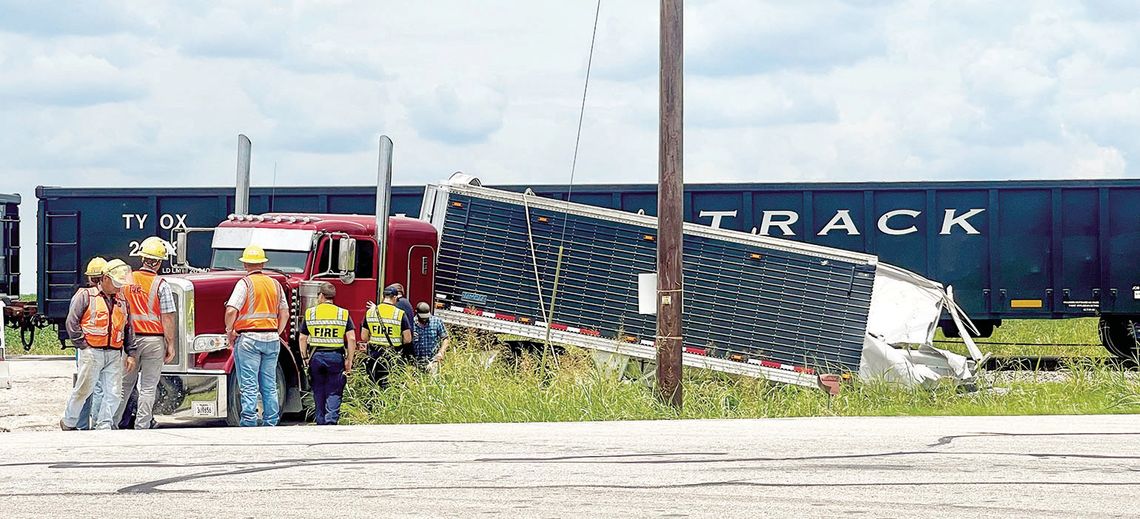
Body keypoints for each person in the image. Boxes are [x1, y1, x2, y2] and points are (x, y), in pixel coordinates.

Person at [60, 259, 134, 430]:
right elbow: (72, 322)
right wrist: (83, 345)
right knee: (84, 389)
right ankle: (69, 421)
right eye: (116, 282)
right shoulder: (85, 296)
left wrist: (131, 353)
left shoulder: (122, 301)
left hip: (114, 353)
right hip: (92, 351)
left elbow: (128, 328)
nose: (119, 287)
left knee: (114, 392)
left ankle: (104, 424)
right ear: (105, 278)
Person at [224, 245, 289, 427]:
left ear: (245, 264)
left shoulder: (244, 284)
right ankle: (271, 421)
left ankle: (249, 422)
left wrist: (230, 331)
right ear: (262, 263)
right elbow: (284, 313)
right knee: (269, 383)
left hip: (249, 339)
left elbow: (231, 310)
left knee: (249, 384)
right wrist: (276, 331)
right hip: (272, 339)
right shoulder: (275, 284)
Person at [115, 237, 176, 430]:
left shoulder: (127, 279)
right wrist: (171, 344)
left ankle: (112, 423)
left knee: (125, 385)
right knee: (149, 386)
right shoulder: (161, 284)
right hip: (153, 340)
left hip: (130, 341)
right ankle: (142, 426)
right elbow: (167, 317)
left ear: (142, 258)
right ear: (159, 262)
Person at [298, 282, 356, 425]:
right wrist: (349, 360)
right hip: (336, 357)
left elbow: (302, 338)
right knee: (334, 391)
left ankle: (320, 421)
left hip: (316, 357)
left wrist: (304, 357)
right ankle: (331, 422)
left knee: (318, 390)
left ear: (321, 296)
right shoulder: (343, 313)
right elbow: (352, 338)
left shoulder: (310, 313)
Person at [74, 257, 106, 430]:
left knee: (84, 387)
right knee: (100, 387)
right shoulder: (107, 297)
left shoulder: (82, 296)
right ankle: (96, 424)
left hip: (87, 348)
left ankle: (82, 425)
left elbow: (72, 323)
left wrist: (81, 345)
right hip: (99, 348)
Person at [360, 285, 411, 387]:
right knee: (391, 385)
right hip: (393, 356)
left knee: (374, 385)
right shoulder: (400, 314)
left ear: (383, 296)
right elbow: (408, 339)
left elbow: (364, 337)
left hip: (374, 355)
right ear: (395, 298)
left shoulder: (370, 312)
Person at [411, 302, 450, 373]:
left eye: (426, 317)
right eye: (422, 317)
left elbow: (445, 338)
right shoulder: (411, 324)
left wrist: (441, 352)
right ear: (416, 312)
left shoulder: (436, 322)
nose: (424, 319)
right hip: (416, 363)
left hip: (433, 361)